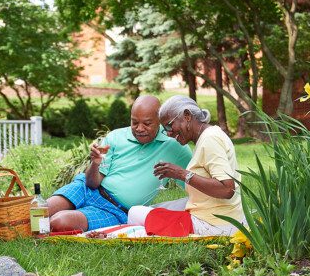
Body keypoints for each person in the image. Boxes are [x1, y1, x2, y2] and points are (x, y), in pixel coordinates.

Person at [48, 95, 192, 232]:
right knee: (41, 210)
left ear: (159, 120)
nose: (139, 128)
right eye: (134, 122)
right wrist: (95, 164)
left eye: (147, 124)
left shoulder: (175, 145)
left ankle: (69, 216)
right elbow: (92, 183)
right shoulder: (115, 137)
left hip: (115, 211)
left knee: (59, 222)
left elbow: (195, 179)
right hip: (86, 189)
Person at [127, 95, 245, 236]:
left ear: (187, 116)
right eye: (165, 129)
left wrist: (181, 174)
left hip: (215, 224)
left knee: (134, 213)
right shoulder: (209, 135)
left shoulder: (210, 139)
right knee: (153, 208)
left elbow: (227, 189)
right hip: (220, 214)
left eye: (170, 125)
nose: (169, 133)